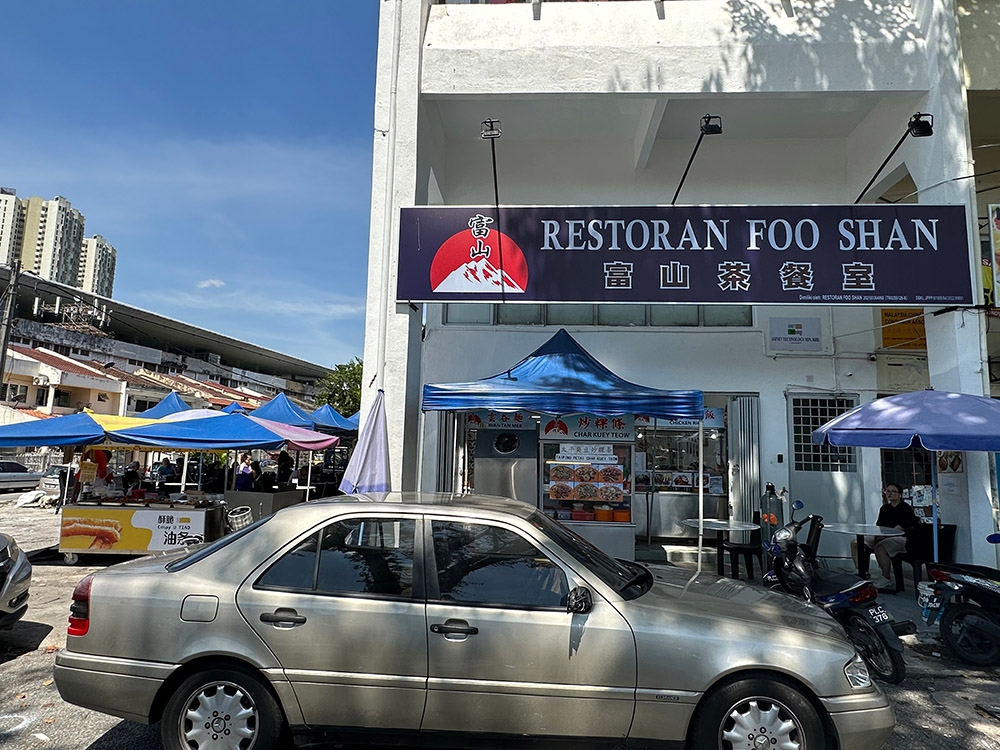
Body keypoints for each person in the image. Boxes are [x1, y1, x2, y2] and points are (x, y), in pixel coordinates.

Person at [851, 483, 918, 587]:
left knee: (880, 547)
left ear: (899, 494)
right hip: (881, 534)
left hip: (900, 538)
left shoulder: (905, 508)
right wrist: (877, 535)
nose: (890, 493)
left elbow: (901, 528)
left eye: (893, 491)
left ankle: (886, 577)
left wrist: (883, 537)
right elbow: (879, 525)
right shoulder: (884, 508)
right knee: (855, 542)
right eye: (888, 491)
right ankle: (860, 570)